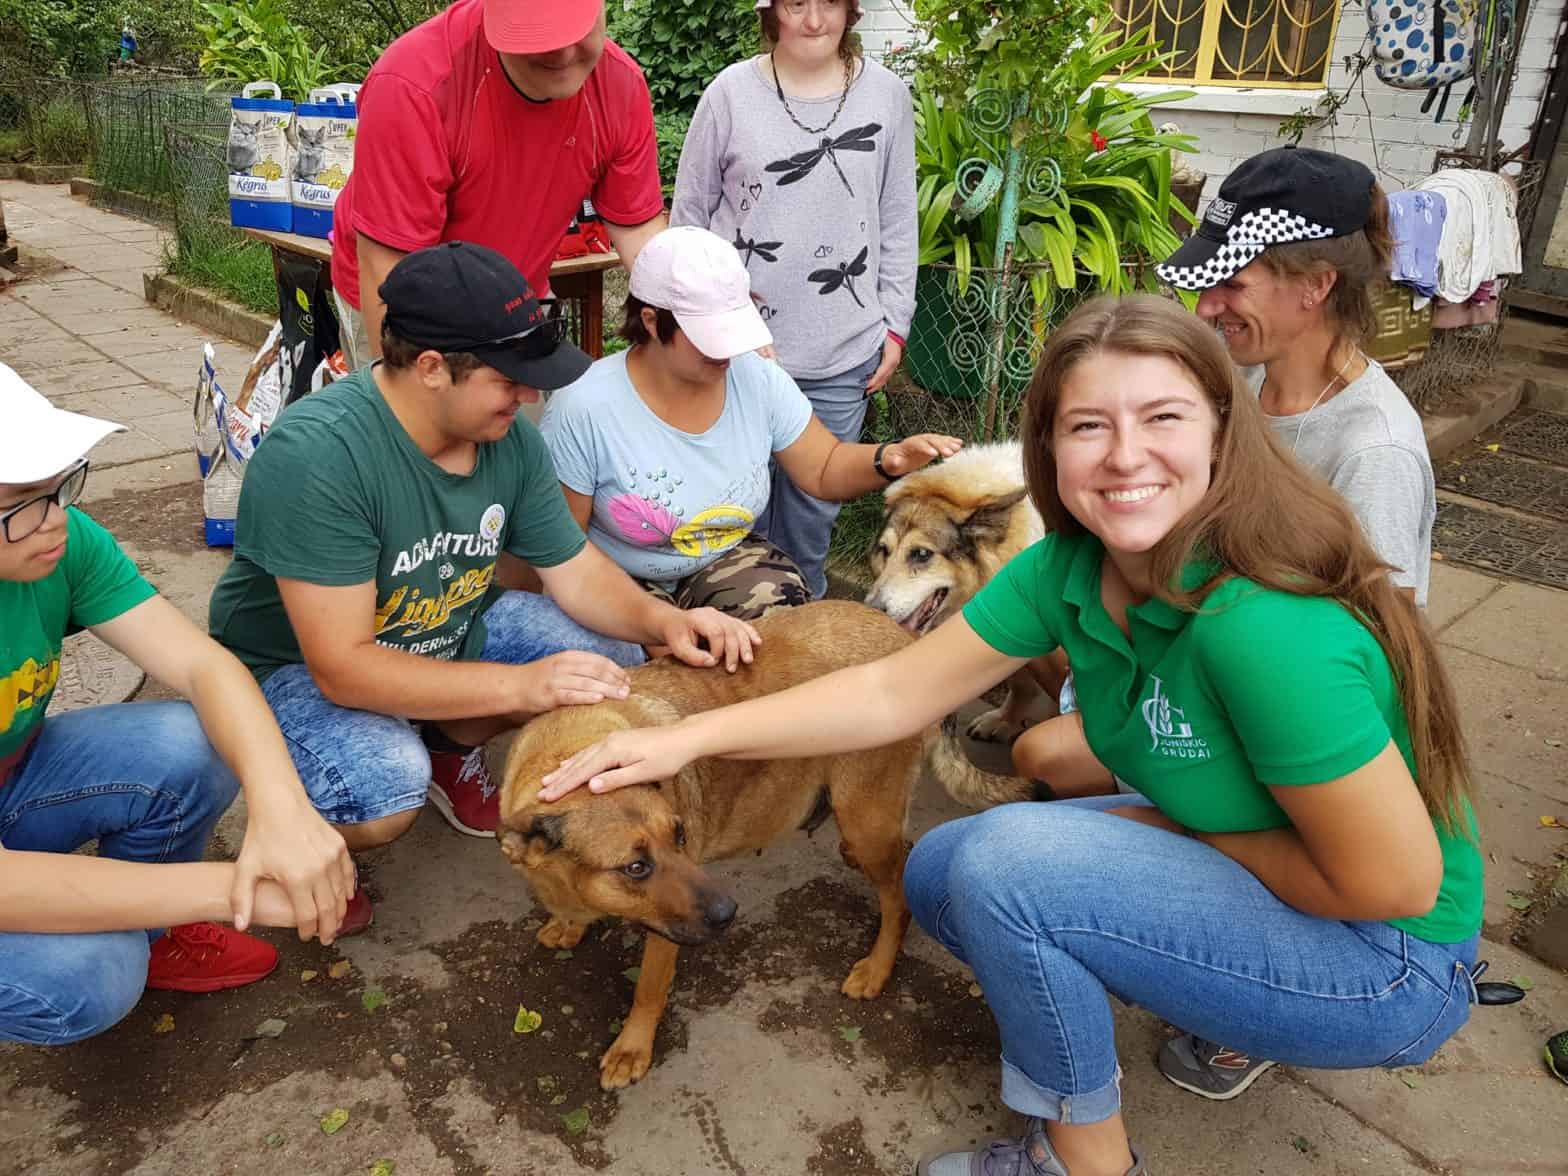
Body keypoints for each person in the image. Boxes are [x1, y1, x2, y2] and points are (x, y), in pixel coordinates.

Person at [535, 294, 1484, 1176]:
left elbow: (1393, 885)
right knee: (949, 871)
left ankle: (1080, 1159)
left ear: (1222, 434)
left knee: (1009, 872)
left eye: (1163, 417)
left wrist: (1195, 832)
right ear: (1046, 450)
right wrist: (679, 743)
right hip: (1294, 879)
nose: (1123, 456)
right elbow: (886, 696)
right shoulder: (1071, 567)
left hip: (1384, 963)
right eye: (1086, 426)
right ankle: (1074, 1069)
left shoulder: (1260, 625)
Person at [1007, 146, 1442, 1096]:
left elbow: (1382, 654)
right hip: (1185, 686)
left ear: (1315, 287)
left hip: (1268, 732)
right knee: (1038, 792)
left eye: (1230, 284)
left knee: (1046, 780)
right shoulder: (1238, 388)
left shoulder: (1374, 452)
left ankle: (1257, 984)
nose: (1207, 307)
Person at [208, 243, 759, 928]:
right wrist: (523, 688)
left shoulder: (506, 440)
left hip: (439, 631)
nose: (530, 396)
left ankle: (446, 743)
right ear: (434, 368)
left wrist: (663, 623)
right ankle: (298, 840)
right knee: (383, 790)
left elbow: (576, 571)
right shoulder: (319, 455)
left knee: (614, 668)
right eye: (510, 380)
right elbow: (343, 669)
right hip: (291, 670)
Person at [1, 364, 354, 1045]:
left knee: (198, 740)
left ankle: (148, 925)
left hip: (14, 781)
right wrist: (237, 890)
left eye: (59, 488)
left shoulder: (63, 540)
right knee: (91, 972)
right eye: (24, 503)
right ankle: (121, 927)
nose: (56, 520)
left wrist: (281, 808)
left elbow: (201, 665)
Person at [541, 226, 958, 619]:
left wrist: (891, 459)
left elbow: (823, 466)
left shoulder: (755, 377)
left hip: (722, 561)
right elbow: (565, 550)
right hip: (618, 573)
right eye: (709, 334)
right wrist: (654, 627)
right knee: (631, 665)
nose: (726, 350)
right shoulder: (584, 408)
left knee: (780, 625)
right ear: (651, 322)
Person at [670, 0, 916, 598]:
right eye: (795, 3)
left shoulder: (887, 96)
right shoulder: (728, 94)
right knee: (732, 525)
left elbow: (896, 214)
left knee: (809, 526)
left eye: (828, 2)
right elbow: (690, 218)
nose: (813, 20)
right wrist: (691, 326)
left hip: (843, 352)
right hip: (736, 356)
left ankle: (801, 645)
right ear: (770, 11)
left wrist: (894, 322)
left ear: (851, 10)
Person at [329, 0, 668, 368]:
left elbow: (642, 241)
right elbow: (391, 280)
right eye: (539, 34)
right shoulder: (412, 86)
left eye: (577, 27)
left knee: (526, 419)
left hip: (515, 295)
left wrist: (690, 328)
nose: (565, 52)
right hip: (403, 294)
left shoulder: (620, 87)